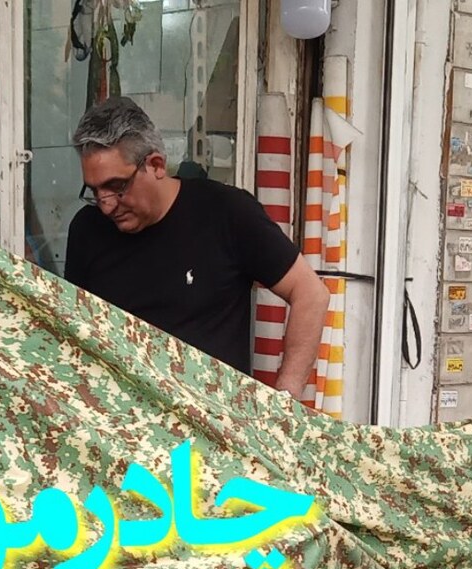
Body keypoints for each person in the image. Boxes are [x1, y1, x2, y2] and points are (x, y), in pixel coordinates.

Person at [64, 97, 330, 400]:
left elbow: (310, 293)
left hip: (205, 423)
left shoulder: (226, 213)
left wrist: (284, 400)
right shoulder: (86, 230)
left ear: (156, 165)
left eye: (116, 187)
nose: (106, 205)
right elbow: (75, 331)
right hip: (120, 421)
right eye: (94, 190)